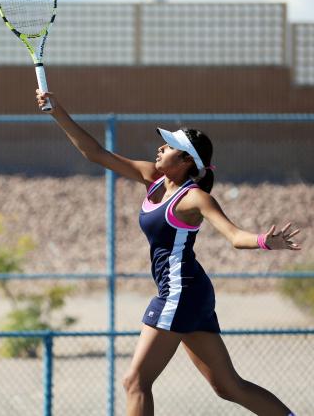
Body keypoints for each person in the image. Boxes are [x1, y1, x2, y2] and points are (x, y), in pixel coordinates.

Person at [36, 90, 301, 416]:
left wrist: (263, 240)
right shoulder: (154, 179)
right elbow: (96, 153)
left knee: (135, 381)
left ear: (188, 160)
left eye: (170, 146)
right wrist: (57, 111)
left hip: (181, 291)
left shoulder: (195, 198)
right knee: (228, 386)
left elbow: (234, 236)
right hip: (189, 291)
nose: (160, 147)